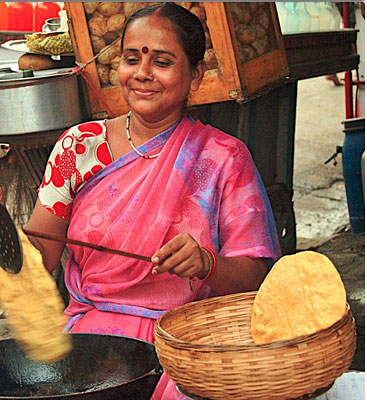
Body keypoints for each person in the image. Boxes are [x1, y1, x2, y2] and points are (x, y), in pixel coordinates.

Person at [24, 4, 281, 399]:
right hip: (93, 343)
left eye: (162, 61)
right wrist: (10, 247)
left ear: (195, 75)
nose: (142, 73)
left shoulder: (223, 158)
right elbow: (40, 256)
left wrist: (206, 264)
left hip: (190, 342)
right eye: (131, 59)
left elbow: (255, 280)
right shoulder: (78, 149)